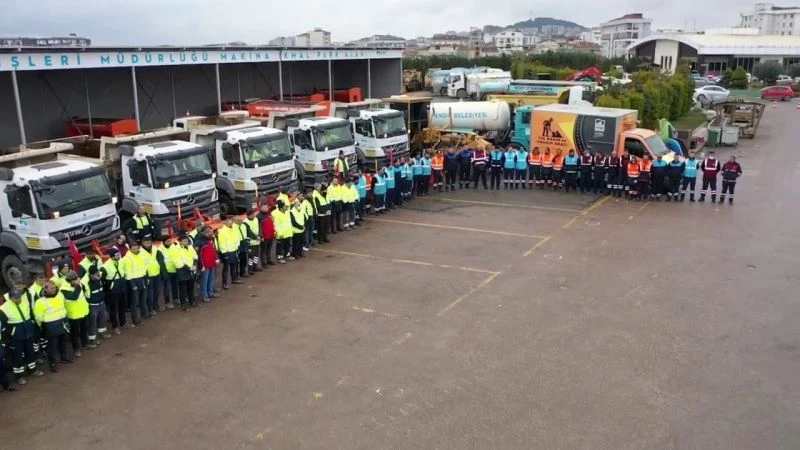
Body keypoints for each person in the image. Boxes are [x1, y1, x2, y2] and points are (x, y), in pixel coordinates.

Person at [0, 287, 43, 385]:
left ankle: (32, 370)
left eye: (19, 297)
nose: (18, 299)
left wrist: (32, 324)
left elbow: (30, 314)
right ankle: (19, 376)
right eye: (16, 298)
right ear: (10, 297)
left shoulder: (24, 301)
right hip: (16, 337)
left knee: (30, 352)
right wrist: (8, 338)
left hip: (28, 332)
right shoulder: (3, 309)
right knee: (17, 356)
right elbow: (3, 326)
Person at [33, 281, 71, 372]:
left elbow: (63, 306)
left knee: (63, 342)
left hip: (62, 322)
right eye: (51, 288)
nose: (54, 290)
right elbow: (38, 316)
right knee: (52, 346)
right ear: (45, 289)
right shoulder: (40, 301)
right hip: (51, 326)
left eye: (54, 288)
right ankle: (52, 364)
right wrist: (47, 321)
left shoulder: (60, 295)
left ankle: (64, 357)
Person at [61, 271, 89, 356]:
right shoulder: (64, 289)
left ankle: (84, 343)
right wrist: (78, 286)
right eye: (75, 280)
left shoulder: (78, 284)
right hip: (73, 314)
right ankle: (76, 349)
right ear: (69, 281)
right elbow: (74, 297)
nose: (77, 281)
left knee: (84, 329)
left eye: (77, 279)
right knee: (74, 333)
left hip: (83, 311)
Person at [122, 242, 148, 327]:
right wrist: (133, 285)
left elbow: (144, 266)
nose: (136, 250)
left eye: (137, 248)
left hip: (142, 278)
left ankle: (144, 314)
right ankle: (135, 319)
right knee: (135, 302)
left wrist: (146, 278)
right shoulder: (127, 258)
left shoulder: (141, 255)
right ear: (130, 249)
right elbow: (128, 273)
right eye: (134, 249)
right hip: (134, 281)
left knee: (143, 299)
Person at [82, 266, 108, 347]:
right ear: (91, 275)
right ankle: (93, 339)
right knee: (92, 323)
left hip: (101, 303)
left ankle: (102, 333)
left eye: (98, 274)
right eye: (95, 275)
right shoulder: (85, 282)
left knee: (102, 319)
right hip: (92, 305)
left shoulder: (99, 276)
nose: (98, 276)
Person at [102, 248, 125, 334]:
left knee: (122, 307)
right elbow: (102, 279)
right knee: (113, 309)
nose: (118, 256)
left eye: (119, 254)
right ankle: (115, 326)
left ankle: (123, 323)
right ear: (111, 256)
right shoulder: (105, 266)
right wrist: (109, 288)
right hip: (113, 291)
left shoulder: (121, 261)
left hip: (122, 287)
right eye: (116, 255)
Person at [173, 233, 198, 311]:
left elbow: (195, 256)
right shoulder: (176, 249)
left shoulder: (190, 247)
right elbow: (178, 262)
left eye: (186, 241)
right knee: (182, 289)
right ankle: (183, 304)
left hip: (191, 270)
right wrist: (189, 268)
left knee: (191, 287)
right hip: (182, 271)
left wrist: (194, 265)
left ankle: (192, 301)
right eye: (184, 241)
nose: (186, 242)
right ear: (180, 241)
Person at [140, 237, 162, 317]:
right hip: (148, 274)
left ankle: (156, 305)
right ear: (143, 243)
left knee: (157, 290)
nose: (148, 245)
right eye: (146, 243)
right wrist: (145, 276)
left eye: (149, 243)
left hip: (156, 272)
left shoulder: (155, 248)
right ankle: (150, 308)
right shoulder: (140, 252)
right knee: (150, 293)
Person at [197, 227, 219, 303]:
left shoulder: (211, 239)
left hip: (212, 263)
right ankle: (204, 296)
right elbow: (198, 255)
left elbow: (213, 250)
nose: (210, 233)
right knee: (204, 281)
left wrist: (216, 259)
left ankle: (210, 292)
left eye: (210, 232)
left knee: (210, 279)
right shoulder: (199, 242)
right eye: (208, 232)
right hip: (205, 265)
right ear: (203, 233)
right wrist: (201, 265)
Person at [217, 216, 239, 289]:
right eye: (228, 221)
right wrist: (225, 253)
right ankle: (225, 283)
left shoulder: (234, 229)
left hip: (234, 250)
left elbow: (237, 238)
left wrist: (236, 247)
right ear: (225, 222)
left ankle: (234, 278)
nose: (230, 222)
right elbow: (221, 243)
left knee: (234, 265)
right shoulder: (222, 231)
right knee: (226, 268)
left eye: (231, 221)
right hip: (227, 252)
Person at [161, 238, 179, 309]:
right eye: (167, 241)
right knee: (167, 287)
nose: (169, 242)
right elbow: (161, 262)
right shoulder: (160, 249)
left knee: (175, 285)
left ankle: (176, 298)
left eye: (170, 241)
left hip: (174, 268)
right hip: (167, 271)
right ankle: (167, 302)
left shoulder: (173, 247)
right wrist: (164, 272)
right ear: (164, 242)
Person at [234, 215, 250, 279]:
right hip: (238, 244)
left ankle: (242, 272)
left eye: (241, 220)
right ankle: (236, 274)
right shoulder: (233, 227)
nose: (240, 221)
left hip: (244, 242)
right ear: (235, 221)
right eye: (239, 220)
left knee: (244, 260)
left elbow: (246, 234)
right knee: (237, 261)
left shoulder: (243, 226)